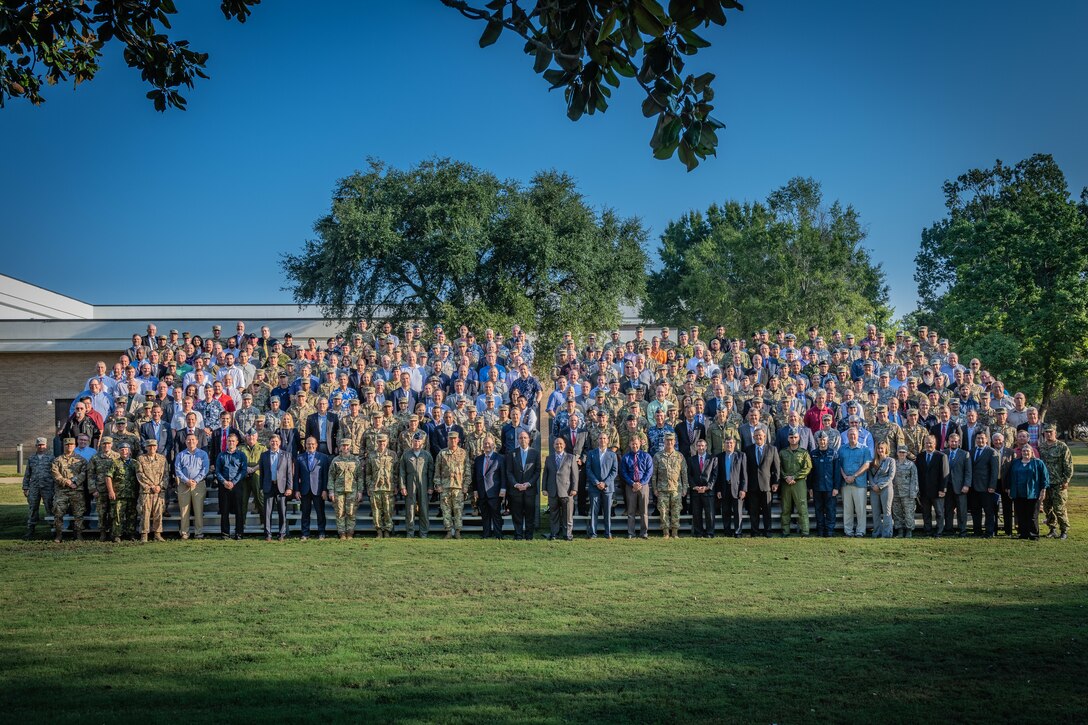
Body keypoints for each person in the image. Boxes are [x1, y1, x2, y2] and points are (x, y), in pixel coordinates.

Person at [1037, 423, 1072, 539]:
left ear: (1055, 433)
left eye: (1050, 432)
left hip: (1058, 483)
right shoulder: (1041, 447)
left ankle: (1064, 530)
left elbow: (1068, 465)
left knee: (1059, 508)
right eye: (1046, 432)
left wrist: (1066, 480)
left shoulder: (1062, 446)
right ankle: (1052, 529)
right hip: (1046, 483)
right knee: (1048, 508)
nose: (1048, 434)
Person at [504, 430, 540, 540]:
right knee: (517, 514)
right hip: (516, 490)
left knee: (530, 514)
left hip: (530, 490)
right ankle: (518, 535)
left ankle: (529, 535)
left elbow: (537, 471)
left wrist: (528, 484)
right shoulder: (512, 453)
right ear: (518, 440)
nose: (523, 440)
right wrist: (515, 484)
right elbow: (509, 471)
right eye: (521, 438)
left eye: (525, 438)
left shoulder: (535, 453)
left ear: (529, 440)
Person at [1008, 443, 1050, 540]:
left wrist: (1043, 490)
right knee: (1021, 515)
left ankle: (1033, 534)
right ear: (1021, 452)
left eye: (1027, 451)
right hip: (1018, 493)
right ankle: (1023, 534)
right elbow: (1011, 477)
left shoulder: (1038, 463)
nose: (1025, 452)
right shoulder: (1016, 463)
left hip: (1033, 493)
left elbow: (1045, 478)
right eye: (1023, 451)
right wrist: (1010, 489)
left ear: (1031, 452)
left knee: (1032, 515)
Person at [744, 428, 780, 537]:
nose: (758, 437)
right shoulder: (748, 450)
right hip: (752, 485)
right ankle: (754, 532)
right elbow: (745, 469)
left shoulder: (772, 449)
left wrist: (776, 483)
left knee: (766, 511)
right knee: (753, 511)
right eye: (756, 436)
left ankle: (767, 531)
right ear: (753, 437)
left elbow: (777, 467)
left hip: (767, 485)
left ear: (764, 436)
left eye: (760, 435)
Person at [652, 432, 688, 539]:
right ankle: (666, 532)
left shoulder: (680, 456)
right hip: (662, 489)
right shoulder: (658, 456)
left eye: (671, 440)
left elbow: (684, 473)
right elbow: (654, 474)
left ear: (674, 442)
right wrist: (654, 488)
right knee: (663, 512)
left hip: (676, 489)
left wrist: (685, 488)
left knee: (676, 511)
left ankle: (675, 532)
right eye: (667, 440)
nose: (669, 442)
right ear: (664, 442)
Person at [51, 438, 88, 542]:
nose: (69, 446)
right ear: (64, 446)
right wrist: (66, 482)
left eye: (71, 445)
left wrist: (75, 482)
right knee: (58, 513)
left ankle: (78, 534)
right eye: (67, 445)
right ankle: (59, 535)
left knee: (79, 513)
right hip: (61, 491)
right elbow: (55, 474)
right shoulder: (57, 460)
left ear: (74, 446)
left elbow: (84, 473)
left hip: (77, 490)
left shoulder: (81, 460)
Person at [435, 431, 471, 539]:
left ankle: (458, 531)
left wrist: (466, 485)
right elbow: (437, 471)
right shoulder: (442, 453)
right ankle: (448, 531)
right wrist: (438, 484)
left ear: (458, 440)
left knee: (458, 510)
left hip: (458, 487)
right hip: (445, 487)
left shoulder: (463, 453)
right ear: (447, 440)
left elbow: (467, 471)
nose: (453, 441)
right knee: (446, 510)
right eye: (451, 439)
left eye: (455, 439)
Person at [398, 431, 434, 538]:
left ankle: (423, 532)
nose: (416, 443)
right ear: (411, 442)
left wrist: (431, 487)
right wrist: (402, 486)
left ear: (422, 443)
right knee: (410, 508)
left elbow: (431, 472)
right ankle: (410, 532)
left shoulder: (427, 455)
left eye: (418, 441)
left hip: (423, 483)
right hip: (410, 483)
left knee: (423, 508)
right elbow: (402, 471)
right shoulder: (406, 454)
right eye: (415, 441)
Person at [175, 432, 209, 540]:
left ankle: (198, 532)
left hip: (198, 485)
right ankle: (185, 532)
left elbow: (205, 469)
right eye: (189, 440)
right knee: (184, 510)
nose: (191, 442)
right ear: (185, 442)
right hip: (184, 485)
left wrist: (195, 480)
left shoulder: (203, 454)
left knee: (198, 509)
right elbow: (177, 469)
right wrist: (186, 480)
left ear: (197, 441)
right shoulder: (181, 455)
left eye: (193, 440)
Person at [838, 427, 872, 538]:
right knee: (847, 509)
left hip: (859, 483)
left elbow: (867, 465)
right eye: (850, 434)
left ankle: (860, 531)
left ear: (858, 436)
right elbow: (839, 465)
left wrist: (854, 476)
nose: (852, 436)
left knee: (860, 509)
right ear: (847, 436)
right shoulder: (842, 449)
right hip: (846, 483)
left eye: (854, 434)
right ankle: (848, 531)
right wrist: (844, 476)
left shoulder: (864, 449)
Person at [294, 435, 330, 540]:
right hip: (304, 489)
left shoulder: (323, 457)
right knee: (305, 513)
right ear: (305, 445)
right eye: (308, 444)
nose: (311, 445)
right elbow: (296, 475)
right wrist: (296, 490)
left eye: (313, 444)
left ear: (316, 445)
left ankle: (321, 533)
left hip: (318, 489)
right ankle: (305, 533)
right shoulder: (300, 458)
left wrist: (324, 490)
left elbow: (325, 476)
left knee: (320, 513)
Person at [778, 429, 813, 537]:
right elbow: (778, 467)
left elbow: (808, 467)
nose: (793, 439)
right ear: (788, 439)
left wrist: (795, 477)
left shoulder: (804, 452)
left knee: (802, 507)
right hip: (786, 483)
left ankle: (805, 531)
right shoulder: (782, 452)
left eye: (795, 437)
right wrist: (785, 477)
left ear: (799, 438)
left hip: (799, 483)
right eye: (791, 437)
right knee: (786, 508)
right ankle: (785, 531)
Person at [259, 434, 293, 541]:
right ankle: (268, 533)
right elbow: (262, 473)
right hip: (268, 486)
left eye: (276, 441)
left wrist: (289, 487)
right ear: (269, 443)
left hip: (281, 487)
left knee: (282, 511)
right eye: (272, 441)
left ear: (280, 442)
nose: (274, 443)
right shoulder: (264, 455)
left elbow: (289, 473)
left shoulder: (286, 455)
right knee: (267, 512)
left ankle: (281, 533)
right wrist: (261, 487)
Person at [544, 436, 578, 541]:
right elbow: (545, 474)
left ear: (564, 445)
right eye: (556, 444)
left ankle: (567, 534)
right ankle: (554, 533)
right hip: (552, 490)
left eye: (560, 444)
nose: (559, 445)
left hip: (567, 491)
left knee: (567, 515)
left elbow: (575, 475)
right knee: (554, 513)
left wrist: (574, 488)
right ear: (553, 445)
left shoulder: (571, 457)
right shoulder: (549, 458)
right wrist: (544, 488)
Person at [585, 431, 618, 539]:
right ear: (597, 440)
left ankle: (608, 533)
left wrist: (605, 483)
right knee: (594, 511)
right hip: (594, 487)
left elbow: (614, 471)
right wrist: (596, 482)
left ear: (608, 441)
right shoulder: (591, 453)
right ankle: (593, 533)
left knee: (607, 511)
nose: (602, 440)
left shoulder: (612, 455)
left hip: (608, 488)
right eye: (600, 438)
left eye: (604, 438)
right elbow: (588, 469)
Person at [215, 431, 247, 540]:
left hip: (237, 485)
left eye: (233, 441)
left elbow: (243, 470)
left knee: (239, 511)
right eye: (229, 441)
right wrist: (224, 482)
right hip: (224, 486)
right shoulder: (221, 455)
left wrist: (234, 482)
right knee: (224, 511)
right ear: (226, 442)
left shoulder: (241, 455)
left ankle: (239, 533)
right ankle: (225, 533)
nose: (231, 443)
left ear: (237, 442)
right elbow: (218, 471)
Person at [329, 438, 363, 540]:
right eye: (343, 445)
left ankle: (350, 532)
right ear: (340, 447)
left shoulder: (355, 460)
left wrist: (360, 491)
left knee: (351, 512)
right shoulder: (335, 460)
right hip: (338, 490)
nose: (345, 447)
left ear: (350, 447)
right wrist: (331, 491)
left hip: (352, 490)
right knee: (340, 512)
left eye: (347, 445)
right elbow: (331, 476)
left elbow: (360, 477)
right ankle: (342, 532)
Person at [105, 441, 140, 542]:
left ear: (130, 452)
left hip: (133, 494)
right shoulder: (115, 462)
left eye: (126, 449)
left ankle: (131, 534)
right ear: (119, 451)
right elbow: (108, 477)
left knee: (132, 515)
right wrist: (111, 491)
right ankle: (117, 535)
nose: (124, 451)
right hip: (119, 494)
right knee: (118, 515)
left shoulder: (135, 463)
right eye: (122, 449)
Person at [620, 436, 654, 539]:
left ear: (640, 444)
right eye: (633, 444)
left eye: (636, 444)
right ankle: (631, 533)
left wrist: (641, 483)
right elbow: (623, 472)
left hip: (643, 486)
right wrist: (632, 483)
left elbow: (649, 472)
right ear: (630, 444)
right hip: (631, 486)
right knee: (631, 511)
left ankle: (644, 533)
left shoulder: (646, 456)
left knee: (644, 511)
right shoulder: (626, 457)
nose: (634, 446)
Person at [472, 436, 506, 539]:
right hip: (482, 492)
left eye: (489, 443)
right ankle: (486, 534)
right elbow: (475, 476)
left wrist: (503, 489)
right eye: (485, 443)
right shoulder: (478, 459)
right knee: (485, 515)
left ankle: (498, 534)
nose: (487, 445)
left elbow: (503, 475)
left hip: (494, 491)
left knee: (496, 514)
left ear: (493, 445)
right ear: (482, 446)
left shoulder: (500, 458)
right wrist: (475, 490)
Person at [87, 436, 120, 541]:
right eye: (104, 444)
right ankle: (102, 532)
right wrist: (93, 489)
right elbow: (90, 474)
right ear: (101, 445)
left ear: (112, 444)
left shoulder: (117, 456)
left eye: (108, 444)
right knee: (102, 512)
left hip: (114, 489)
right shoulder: (95, 457)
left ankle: (113, 533)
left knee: (114, 512)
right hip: (100, 490)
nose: (106, 446)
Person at [21, 437, 54, 540]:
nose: (41, 447)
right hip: (34, 487)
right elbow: (27, 474)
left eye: (43, 445)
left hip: (47, 487)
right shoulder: (31, 458)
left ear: (46, 446)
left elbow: (55, 473)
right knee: (33, 508)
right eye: (39, 445)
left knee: (50, 507)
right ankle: (31, 529)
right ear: (36, 446)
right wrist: (25, 487)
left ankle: (53, 529)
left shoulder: (51, 458)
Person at [916, 435, 949, 538]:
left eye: (930, 443)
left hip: (937, 491)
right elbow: (918, 474)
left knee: (939, 513)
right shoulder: (920, 456)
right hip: (924, 490)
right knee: (926, 513)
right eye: (926, 443)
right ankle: (928, 531)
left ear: (935, 444)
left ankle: (939, 532)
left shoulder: (941, 456)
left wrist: (943, 489)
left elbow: (945, 474)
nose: (928, 445)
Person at [135, 438, 168, 542]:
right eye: (149, 446)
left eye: (154, 446)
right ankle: (144, 534)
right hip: (147, 491)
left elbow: (166, 474)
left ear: (157, 447)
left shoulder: (162, 459)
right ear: (146, 447)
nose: (152, 448)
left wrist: (160, 486)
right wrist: (151, 486)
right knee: (145, 512)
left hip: (159, 491)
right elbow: (140, 474)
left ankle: (157, 534)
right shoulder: (141, 459)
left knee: (158, 512)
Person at [968, 431, 999, 537]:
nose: (980, 440)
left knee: (988, 511)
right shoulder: (971, 451)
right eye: (978, 438)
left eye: (982, 438)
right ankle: (977, 531)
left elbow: (994, 471)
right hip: (973, 487)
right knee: (975, 511)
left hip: (986, 487)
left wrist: (992, 486)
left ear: (986, 439)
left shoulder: (992, 452)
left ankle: (989, 532)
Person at [808, 432, 838, 537]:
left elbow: (837, 472)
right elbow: (810, 473)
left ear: (828, 440)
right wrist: (810, 487)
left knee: (830, 510)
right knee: (818, 510)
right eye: (820, 440)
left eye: (824, 439)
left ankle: (829, 531)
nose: (822, 442)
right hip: (817, 487)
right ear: (817, 441)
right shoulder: (813, 454)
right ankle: (820, 531)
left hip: (830, 487)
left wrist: (836, 487)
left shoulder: (833, 453)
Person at [367, 434, 397, 538]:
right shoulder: (371, 455)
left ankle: (387, 530)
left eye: (384, 441)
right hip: (375, 487)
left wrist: (396, 485)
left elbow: (396, 472)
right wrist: (369, 486)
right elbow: (368, 473)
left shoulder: (392, 455)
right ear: (377, 442)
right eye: (380, 441)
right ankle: (379, 530)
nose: (382, 443)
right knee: (376, 510)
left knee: (388, 510)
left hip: (388, 487)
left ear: (387, 442)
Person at [944, 432, 972, 537]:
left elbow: (968, 471)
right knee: (948, 509)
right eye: (952, 441)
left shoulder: (965, 454)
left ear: (959, 442)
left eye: (956, 441)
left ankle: (962, 530)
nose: (954, 443)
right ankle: (948, 529)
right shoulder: (943, 453)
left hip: (960, 487)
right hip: (947, 486)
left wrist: (966, 485)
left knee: (962, 510)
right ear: (948, 442)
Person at [717, 436, 747, 537]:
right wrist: (718, 490)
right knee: (725, 511)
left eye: (731, 443)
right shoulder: (719, 457)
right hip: (725, 487)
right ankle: (727, 531)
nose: (729, 445)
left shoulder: (741, 455)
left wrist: (743, 489)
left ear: (734, 444)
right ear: (724, 445)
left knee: (738, 512)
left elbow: (744, 474)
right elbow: (718, 475)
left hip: (737, 488)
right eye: (727, 443)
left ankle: (738, 532)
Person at [688, 438, 718, 538]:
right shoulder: (691, 459)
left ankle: (710, 532)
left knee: (709, 514)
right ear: (696, 447)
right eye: (699, 446)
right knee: (697, 513)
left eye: (702, 446)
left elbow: (714, 475)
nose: (700, 447)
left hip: (708, 491)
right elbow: (689, 475)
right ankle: (698, 532)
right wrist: (694, 487)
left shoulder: (713, 458)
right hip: (696, 491)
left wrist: (707, 487)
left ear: (706, 447)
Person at [868, 441, 896, 538]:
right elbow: (870, 476)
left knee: (886, 512)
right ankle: (876, 532)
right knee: (875, 512)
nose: (880, 450)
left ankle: (887, 533)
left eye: (882, 448)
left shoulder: (891, 461)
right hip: (874, 489)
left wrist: (879, 486)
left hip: (886, 488)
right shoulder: (873, 462)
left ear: (886, 449)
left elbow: (891, 476)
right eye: (878, 448)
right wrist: (873, 485)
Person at [890, 445, 919, 538]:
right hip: (895, 493)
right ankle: (900, 531)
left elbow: (914, 479)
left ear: (906, 453)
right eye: (900, 452)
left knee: (908, 513)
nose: (902, 454)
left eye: (904, 452)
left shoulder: (911, 465)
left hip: (908, 493)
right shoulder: (893, 463)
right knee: (897, 513)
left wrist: (913, 493)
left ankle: (909, 531)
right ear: (897, 453)